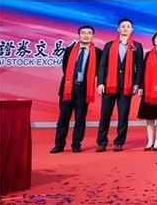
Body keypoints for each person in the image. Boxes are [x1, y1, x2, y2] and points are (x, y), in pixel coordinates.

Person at [96, 18, 144, 152]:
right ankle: (102, 142)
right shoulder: (109, 45)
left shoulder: (137, 46)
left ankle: (119, 142)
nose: (125, 28)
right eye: (123, 26)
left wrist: (137, 84)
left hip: (127, 85)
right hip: (109, 84)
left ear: (132, 29)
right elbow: (102, 65)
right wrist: (100, 83)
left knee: (123, 115)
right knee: (105, 114)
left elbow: (139, 67)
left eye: (128, 26)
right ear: (118, 29)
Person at [51, 25, 101, 153]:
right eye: (83, 33)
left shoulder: (98, 53)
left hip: (84, 89)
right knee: (63, 117)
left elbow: (98, 71)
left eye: (89, 33)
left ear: (92, 36)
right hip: (67, 87)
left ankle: (76, 144)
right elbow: (65, 68)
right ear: (79, 35)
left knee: (80, 118)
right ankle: (59, 144)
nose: (86, 35)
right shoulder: (69, 50)